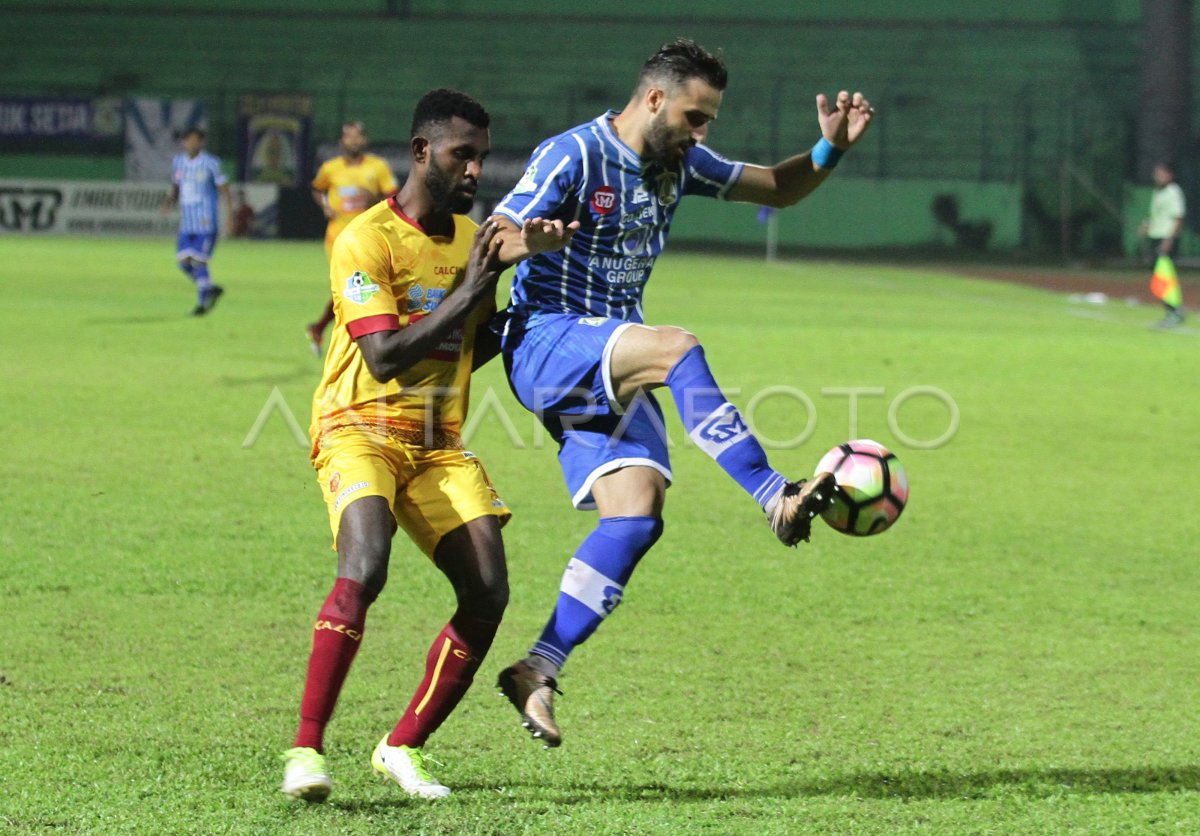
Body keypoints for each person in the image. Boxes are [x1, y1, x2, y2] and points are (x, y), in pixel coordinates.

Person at [487, 38, 873, 748]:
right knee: (678, 347)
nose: (703, 134)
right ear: (656, 99)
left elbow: (779, 187)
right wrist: (527, 241)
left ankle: (537, 667)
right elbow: (497, 233)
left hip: (609, 356)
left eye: (710, 122)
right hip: (546, 340)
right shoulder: (572, 154)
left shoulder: (681, 162)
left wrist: (829, 152)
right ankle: (772, 496)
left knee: (636, 515)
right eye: (696, 117)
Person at [280, 89, 573, 802]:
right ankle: (306, 752)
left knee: (488, 592)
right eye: (460, 154)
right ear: (420, 153)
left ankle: (402, 746)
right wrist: (476, 286)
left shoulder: (475, 237)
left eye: (482, 155)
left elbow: (473, 345)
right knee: (366, 565)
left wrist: (543, 311)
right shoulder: (365, 238)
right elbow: (384, 358)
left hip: (438, 439)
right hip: (359, 426)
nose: (475, 168)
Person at [306, 122, 399, 355]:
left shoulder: (377, 167)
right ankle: (359, 337)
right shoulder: (330, 168)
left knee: (356, 287)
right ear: (341, 142)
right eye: (349, 137)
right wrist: (325, 205)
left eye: (357, 137)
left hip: (367, 236)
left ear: (364, 141)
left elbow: (394, 195)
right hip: (337, 237)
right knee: (352, 286)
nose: (353, 141)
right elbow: (317, 188)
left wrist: (376, 200)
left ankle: (321, 329)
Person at [162, 127, 232, 316]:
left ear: (202, 143)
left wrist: (230, 215)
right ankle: (210, 288)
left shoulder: (210, 163)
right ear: (184, 142)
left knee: (199, 262)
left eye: (196, 140)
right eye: (189, 140)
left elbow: (224, 189)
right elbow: (176, 186)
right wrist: (169, 202)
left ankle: (202, 305)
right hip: (187, 223)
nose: (192, 144)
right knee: (183, 262)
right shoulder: (178, 163)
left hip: (206, 222)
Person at [1139, 161, 1186, 327]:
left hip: (1166, 240)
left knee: (1165, 277)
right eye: (1156, 173)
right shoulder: (1158, 192)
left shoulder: (1173, 191)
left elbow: (1178, 218)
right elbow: (1158, 216)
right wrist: (1147, 226)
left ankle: (1174, 311)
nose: (1157, 176)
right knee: (1159, 276)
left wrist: (1169, 240)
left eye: (1161, 173)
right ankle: (1172, 310)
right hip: (1156, 237)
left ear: (1169, 175)